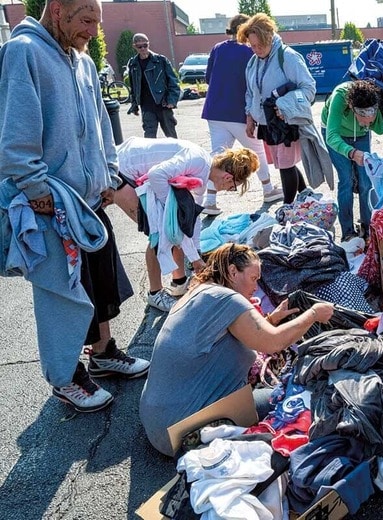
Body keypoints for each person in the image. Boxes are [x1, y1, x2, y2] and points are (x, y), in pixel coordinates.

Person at [0, 0, 150, 413]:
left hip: (87, 198)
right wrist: (33, 189)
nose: (91, 31)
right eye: (85, 20)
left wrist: (109, 173)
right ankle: (65, 378)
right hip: (50, 202)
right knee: (61, 294)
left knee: (99, 279)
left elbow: (101, 122)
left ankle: (102, 353)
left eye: (97, 24)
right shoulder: (24, 51)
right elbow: (14, 133)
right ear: (58, 9)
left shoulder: (81, 61)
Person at [139, 243, 335, 456]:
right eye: (253, 278)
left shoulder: (200, 292)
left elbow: (241, 334)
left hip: (157, 421)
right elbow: (273, 343)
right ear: (233, 272)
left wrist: (273, 318)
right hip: (181, 434)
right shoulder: (229, 300)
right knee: (289, 396)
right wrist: (314, 314)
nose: (256, 286)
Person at [113, 137, 259, 312]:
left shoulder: (204, 174)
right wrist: (170, 209)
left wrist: (196, 255)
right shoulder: (198, 161)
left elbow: (192, 220)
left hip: (132, 164)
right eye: (232, 187)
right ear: (228, 178)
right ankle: (154, 293)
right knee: (158, 235)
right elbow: (156, 174)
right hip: (122, 169)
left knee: (177, 226)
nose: (228, 190)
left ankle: (179, 282)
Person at [200, 14, 283, 216]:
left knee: (217, 156)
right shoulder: (249, 52)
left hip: (215, 109)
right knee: (256, 152)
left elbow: (209, 77)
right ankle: (267, 189)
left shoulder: (218, 48)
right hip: (239, 111)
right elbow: (255, 84)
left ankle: (209, 200)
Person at [240, 14, 316, 204]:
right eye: (252, 46)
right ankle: (307, 195)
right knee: (284, 164)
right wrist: (250, 116)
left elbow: (308, 88)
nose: (256, 50)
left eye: (259, 45)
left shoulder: (288, 57)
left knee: (285, 166)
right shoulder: (253, 62)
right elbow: (250, 92)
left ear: (269, 38)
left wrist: (286, 105)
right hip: (266, 123)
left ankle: (287, 207)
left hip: (285, 122)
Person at [322, 80, 383, 241]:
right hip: (336, 134)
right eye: (361, 118)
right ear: (353, 109)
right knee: (346, 180)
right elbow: (331, 136)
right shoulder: (340, 96)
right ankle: (347, 232)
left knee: (366, 182)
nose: (365, 123)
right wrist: (351, 152)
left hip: (360, 137)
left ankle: (368, 227)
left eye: (370, 119)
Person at [126, 32, 181, 138]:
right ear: (134, 46)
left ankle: (177, 153)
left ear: (148, 44)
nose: (142, 49)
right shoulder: (133, 64)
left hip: (163, 103)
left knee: (171, 135)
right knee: (149, 138)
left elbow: (173, 81)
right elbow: (134, 87)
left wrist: (171, 100)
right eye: (139, 46)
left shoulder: (161, 60)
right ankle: (151, 155)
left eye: (145, 45)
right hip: (146, 105)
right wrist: (134, 105)